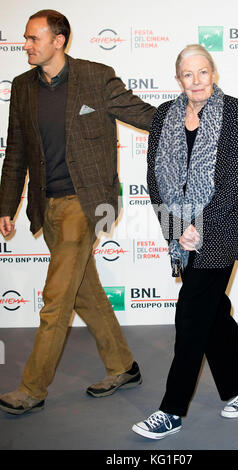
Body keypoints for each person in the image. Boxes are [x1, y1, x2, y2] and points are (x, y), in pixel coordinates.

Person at [0, 9, 155, 415]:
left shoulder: (95, 76)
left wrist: (192, 119)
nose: (27, 45)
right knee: (85, 294)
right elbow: (16, 150)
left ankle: (32, 388)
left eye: (34, 38)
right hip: (46, 205)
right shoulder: (22, 87)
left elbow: (142, 114)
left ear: (59, 40)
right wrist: (7, 204)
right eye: (26, 38)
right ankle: (123, 366)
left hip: (87, 203)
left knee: (55, 301)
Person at [132, 44, 238, 440]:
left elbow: (235, 180)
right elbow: (154, 178)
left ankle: (172, 410)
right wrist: (177, 228)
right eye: (188, 75)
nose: (197, 81)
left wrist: (199, 229)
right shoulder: (163, 118)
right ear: (178, 80)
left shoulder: (235, 112)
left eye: (203, 72)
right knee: (212, 313)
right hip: (181, 235)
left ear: (213, 73)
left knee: (191, 315)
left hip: (221, 230)